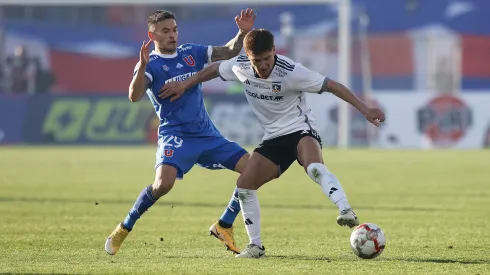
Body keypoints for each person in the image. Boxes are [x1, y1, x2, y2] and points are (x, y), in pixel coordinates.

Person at [161, 29, 386, 258]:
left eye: (267, 58)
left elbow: (332, 85)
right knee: (245, 185)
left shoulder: (292, 71)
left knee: (314, 167)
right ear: (248, 57)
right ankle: (256, 246)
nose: (262, 65)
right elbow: (212, 70)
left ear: (274, 51)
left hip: (301, 129)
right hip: (273, 138)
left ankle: (345, 209)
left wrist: (365, 109)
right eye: (256, 61)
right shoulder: (240, 66)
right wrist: (185, 85)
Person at [105, 9, 257, 256]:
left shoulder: (191, 52)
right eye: (165, 31)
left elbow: (229, 52)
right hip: (175, 136)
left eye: (174, 29)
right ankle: (125, 226)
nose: (172, 35)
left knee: (253, 169)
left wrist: (242, 31)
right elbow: (134, 96)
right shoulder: (151, 64)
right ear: (151, 34)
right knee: (163, 185)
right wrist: (142, 65)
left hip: (207, 135)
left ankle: (224, 224)